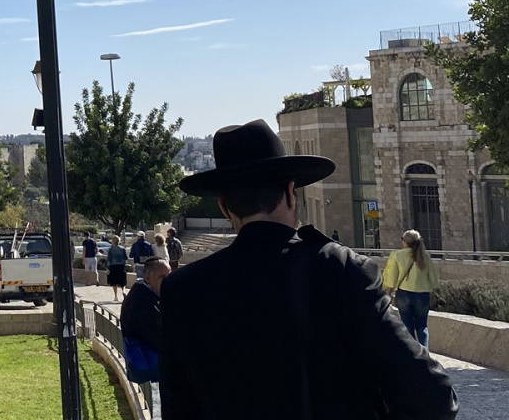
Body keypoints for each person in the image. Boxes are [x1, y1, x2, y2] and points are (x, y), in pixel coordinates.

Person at [160, 119, 457, 420]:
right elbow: (433, 398)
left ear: (224, 207)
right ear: (291, 193)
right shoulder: (341, 271)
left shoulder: (182, 291)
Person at [385, 229, 441, 349]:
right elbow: (432, 277)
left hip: (404, 294)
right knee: (422, 326)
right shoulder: (425, 256)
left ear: (405, 242)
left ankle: (412, 354)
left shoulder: (397, 255)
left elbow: (392, 277)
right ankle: (424, 353)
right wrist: (434, 293)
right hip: (422, 294)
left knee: (407, 325)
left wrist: (388, 294)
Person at [121, 257, 171, 386]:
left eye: (169, 275)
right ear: (148, 278)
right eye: (161, 277)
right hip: (151, 369)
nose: (167, 281)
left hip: (153, 367)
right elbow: (156, 337)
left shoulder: (145, 293)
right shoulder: (142, 301)